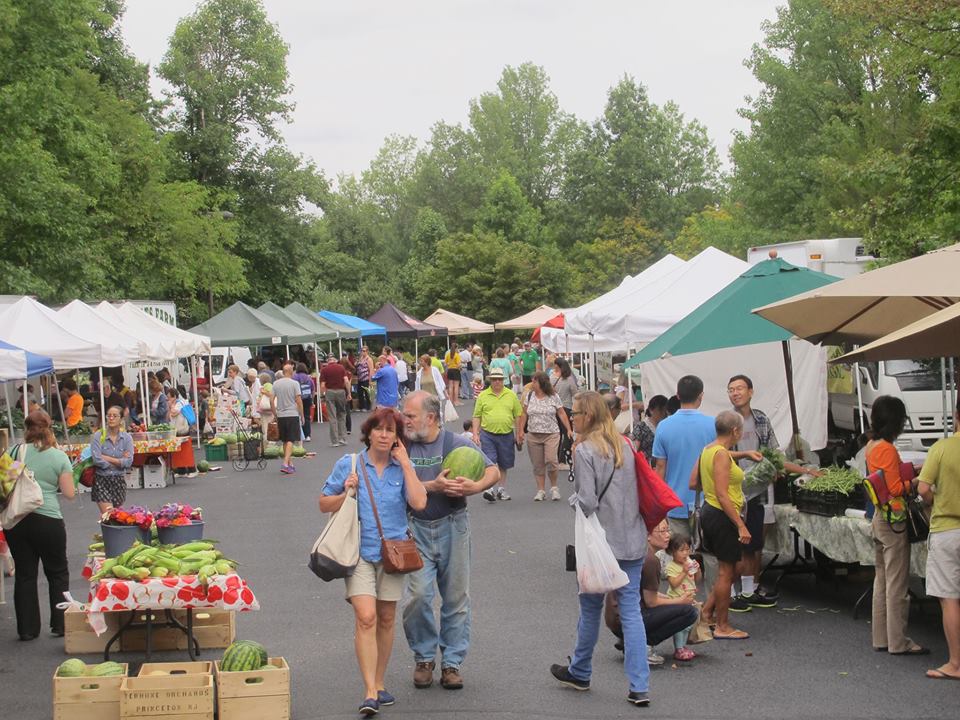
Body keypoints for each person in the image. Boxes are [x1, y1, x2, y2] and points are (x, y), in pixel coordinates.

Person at [320, 408, 428, 716]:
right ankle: (369, 691)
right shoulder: (349, 464)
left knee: (386, 618)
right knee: (366, 617)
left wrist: (406, 464)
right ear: (368, 433)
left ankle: (379, 682)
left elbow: (419, 502)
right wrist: (346, 493)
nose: (383, 435)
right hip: (358, 554)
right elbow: (323, 503)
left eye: (390, 430)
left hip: (394, 554)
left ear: (397, 438)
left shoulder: (401, 467)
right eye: (378, 429)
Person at [550, 391, 651, 707]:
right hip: (632, 537)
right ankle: (639, 685)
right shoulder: (626, 445)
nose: (573, 418)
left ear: (589, 416)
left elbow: (588, 501)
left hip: (600, 544)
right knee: (631, 610)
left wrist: (572, 500)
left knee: (591, 607)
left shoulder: (585, 450)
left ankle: (580, 670)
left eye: (576, 414)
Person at [400, 392, 498, 690]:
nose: (405, 420)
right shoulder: (402, 446)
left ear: (430, 418)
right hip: (415, 528)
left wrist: (475, 486)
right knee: (418, 597)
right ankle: (424, 658)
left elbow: (492, 470)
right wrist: (433, 485)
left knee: (456, 599)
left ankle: (452, 663)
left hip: (453, 525)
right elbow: (392, 484)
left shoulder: (456, 443)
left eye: (410, 415)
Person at [726, 374, 816, 611]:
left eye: (739, 388)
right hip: (734, 491)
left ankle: (750, 590)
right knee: (735, 545)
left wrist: (805, 470)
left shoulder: (761, 420)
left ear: (751, 392)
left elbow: (775, 455)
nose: (735, 393)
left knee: (755, 544)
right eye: (731, 390)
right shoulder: (727, 421)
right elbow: (719, 453)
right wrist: (745, 456)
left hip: (760, 491)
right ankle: (732, 594)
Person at [3, 411, 75, 640]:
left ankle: (27, 629)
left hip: (17, 519)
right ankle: (61, 623)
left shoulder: (15, 452)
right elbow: (69, 493)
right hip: (48, 519)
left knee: (25, 574)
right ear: (49, 427)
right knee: (57, 572)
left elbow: (5, 484)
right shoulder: (58, 456)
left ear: (26, 429)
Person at [865, 395, 927, 655]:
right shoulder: (888, 449)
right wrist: (918, 480)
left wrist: (910, 471)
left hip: (879, 517)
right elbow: (895, 488)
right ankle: (898, 642)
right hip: (895, 521)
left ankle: (882, 638)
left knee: (881, 581)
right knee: (897, 583)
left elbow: (885, 479)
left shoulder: (871, 445)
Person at [695, 410, 760, 640]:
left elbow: (696, 480)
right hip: (722, 514)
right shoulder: (721, 454)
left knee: (733, 567)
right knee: (726, 571)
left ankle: (706, 612)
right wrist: (740, 524)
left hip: (711, 511)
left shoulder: (709, 449)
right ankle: (722, 625)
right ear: (735, 431)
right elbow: (722, 494)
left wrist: (745, 453)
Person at [604, 520, 700, 666]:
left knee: (677, 606)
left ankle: (630, 640)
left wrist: (671, 599)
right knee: (689, 612)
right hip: (626, 619)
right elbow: (651, 601)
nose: (667, 535)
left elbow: (642, 591)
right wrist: (680, 601)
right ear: (647, 535)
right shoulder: (651, 560)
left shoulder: (636, 550)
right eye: (662, 531)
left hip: (616, 616)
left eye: (668, 530)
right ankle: (644, 645)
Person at [917, 396, 960, 680]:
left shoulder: (942, 448)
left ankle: (956, 663)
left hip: (947, 529)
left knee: (950, 598)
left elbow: (923, 488)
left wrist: (936, 500)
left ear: (956, 415)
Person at [652, 376, 715, 540]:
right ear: (701, 396)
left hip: (674, 503)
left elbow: (660, 467)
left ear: (678, 395)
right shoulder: (713, 425)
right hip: (707, 503)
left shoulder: (663, 426)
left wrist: (658, 504)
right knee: (705, 552)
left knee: (679, 553)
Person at [518, 371, 572, 501]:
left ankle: (554, 487)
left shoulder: (553, 396)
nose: (532, 383)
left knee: (551, 460)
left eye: (534, 381)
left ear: (541, 383)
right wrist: (520, 430)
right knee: (537, 464)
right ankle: (541, 490)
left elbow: (561, 413)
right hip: (533, 434)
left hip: (551, 434)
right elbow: (524, 413)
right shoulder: (529, 396)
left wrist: (569, 429)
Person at [473, 368, 522, 502]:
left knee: (504, 463)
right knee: (490, 460)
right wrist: (475, 433)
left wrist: (519, 433)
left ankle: (501, 489)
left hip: (506, 433)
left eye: (499, 379)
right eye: (494, 379)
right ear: (490, 381)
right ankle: (489, 488)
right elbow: (477, 415)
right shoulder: (483, 395)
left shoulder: (511, 395)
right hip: (488, 433)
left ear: (503, 380)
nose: (497, 382)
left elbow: (518, 415)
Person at [664, 534, 702, 661]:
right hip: (677, 600)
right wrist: (684, 571)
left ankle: (683, 646)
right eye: (681, 550)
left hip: (689, 599)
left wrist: (698, 570)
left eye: (687, 549)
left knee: (688, 625)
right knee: (680, 625)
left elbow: (697, 580)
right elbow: (674, 584)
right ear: (672, 552)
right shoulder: (671, 566)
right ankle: (678, 649)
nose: (686, 553)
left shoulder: (688, 563)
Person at [90, 406, 133, 514]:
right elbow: (97, 459)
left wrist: (107, 458)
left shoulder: (127, 438)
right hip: (101, 479)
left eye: (115, 416)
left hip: (119, 480)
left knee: (117, 516)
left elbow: (128, 462)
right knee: (108, 514)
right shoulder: (98, 436)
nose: (111, 418)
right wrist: (119, 462)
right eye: (109, 415)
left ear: (121, 419)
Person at [272, 363, 304, 475]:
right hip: (292, 413)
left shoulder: (276, 383)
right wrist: (302, 414)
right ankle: (285, 463)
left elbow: (271, 399)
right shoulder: (295, 383)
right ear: (291, 371)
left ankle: (290, 464)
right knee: (291, 439)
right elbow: (298, 400)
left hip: (281, 414)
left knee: (285, 440)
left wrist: (275, 413)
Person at [319, 356, 350, 448]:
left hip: (330, 392)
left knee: (332, 417)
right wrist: (348, 393)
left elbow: (322, 385)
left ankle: (335, 441)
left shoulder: (324, 370)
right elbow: (346, 381)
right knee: (342, 415)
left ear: (328, 362)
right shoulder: (341, 368)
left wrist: (323, 395)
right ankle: (343, 438)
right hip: (341, 391)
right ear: (335, 361)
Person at [633, 395, 668, 465]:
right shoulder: (641, 427)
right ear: (651, 410)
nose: (664, 414)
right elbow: (635, 450)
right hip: (646, 466)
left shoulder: (667, 426)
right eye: (661, 410)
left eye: (665, 410)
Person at [294, 363, 315, 442]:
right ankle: (307, 435)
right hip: (307, 398)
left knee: (297, 416)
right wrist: (312, 399)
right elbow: (313, 390)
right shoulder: (309, 378)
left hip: (298, 398)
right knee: (307, 416)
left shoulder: (295, 377)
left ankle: (299, 434)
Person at [356, 347, 374, 411]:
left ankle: (368, 407)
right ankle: (361, 406)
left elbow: (371, 370)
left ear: (367, 351)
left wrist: (370, 380)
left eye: (364, 351)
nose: (362, 352)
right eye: (362, 351)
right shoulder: (361, 358)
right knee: (360, 393)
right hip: (360, 378)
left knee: (367, 393)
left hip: (366, 378)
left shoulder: (369, 359)